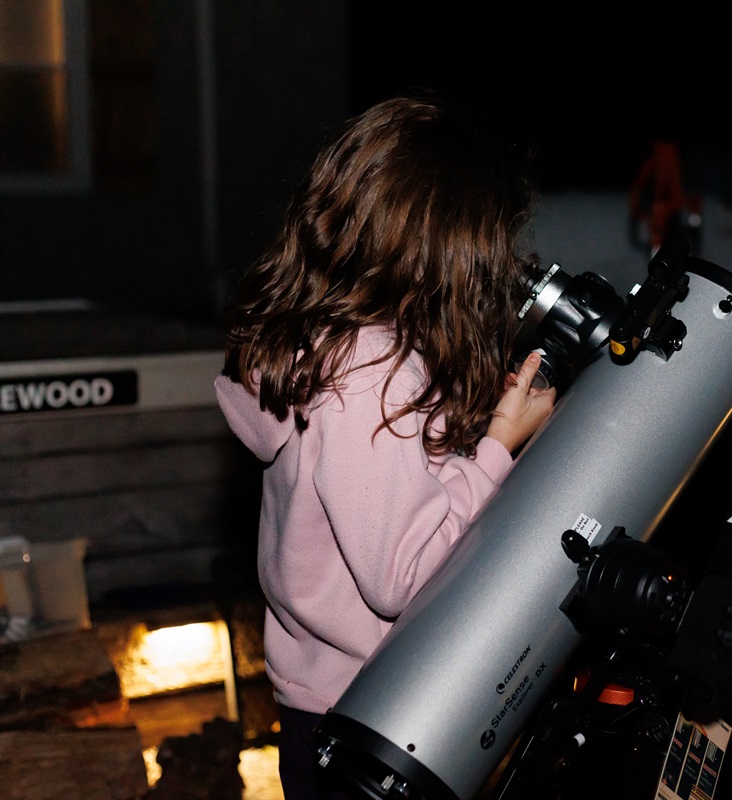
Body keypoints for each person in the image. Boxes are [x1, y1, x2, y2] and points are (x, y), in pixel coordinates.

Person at [213, 89, 557, 800]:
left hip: (326, 700)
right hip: (375, 709)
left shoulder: (324, 345)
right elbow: (402, 574)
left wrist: (449, 437)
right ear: (445, 250)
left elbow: (381, 483)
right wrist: (498, 445)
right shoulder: (369, 369)